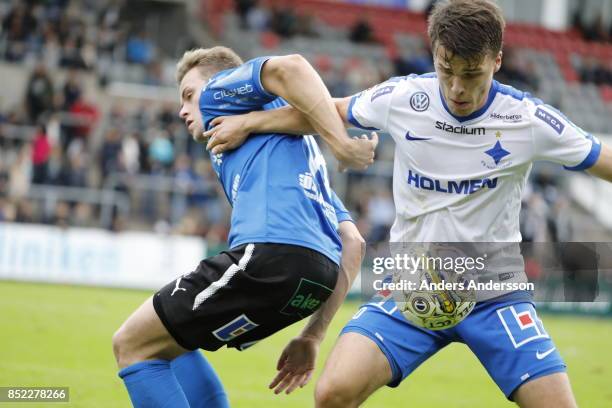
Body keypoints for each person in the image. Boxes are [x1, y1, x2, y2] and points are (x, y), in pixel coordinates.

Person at [204, 1, 612, 407]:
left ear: (497, 61)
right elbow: (326, 112)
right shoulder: (404, 97)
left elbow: (601, 157)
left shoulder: (527, 118)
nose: (457, 88)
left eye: (472, 74)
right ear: (434, 53)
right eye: (446, 70)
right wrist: (250, 122)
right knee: (332, 393)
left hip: (493, 292)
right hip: (412, 287)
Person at [112, 46, 378, 407]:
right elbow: (352, 242)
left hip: (270, 257)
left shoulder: (221, 94)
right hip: (316, 280)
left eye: (190, 95)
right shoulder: (300, 155)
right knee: (173, 342)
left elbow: (293, 67)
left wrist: (342, 145)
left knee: (131, 345)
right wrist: (313, 336)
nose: (183, 109)